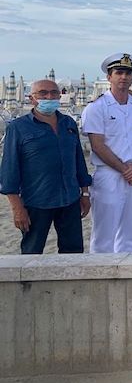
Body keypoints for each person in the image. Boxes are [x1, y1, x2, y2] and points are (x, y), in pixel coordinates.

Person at [0, 80, 92, 254]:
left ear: (59, 95)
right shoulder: (18, 128)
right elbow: (9, 170)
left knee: (73, 252)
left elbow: (78, 161)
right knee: (32, 251)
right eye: (43, 93)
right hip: (36, 201)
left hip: (70, 199)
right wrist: (17, 208)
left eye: (53, 93)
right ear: (32, 98)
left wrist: (85, 193)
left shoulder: (68, 124)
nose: (49, 97)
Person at [81, 53, 132, 253]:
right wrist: (125, 169)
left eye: (128, 73)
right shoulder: (96, 108)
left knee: (130, 230)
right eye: (119, 72)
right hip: (109, 173)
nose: (124, 77)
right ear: (109, 77)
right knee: (104, 232)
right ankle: (101, 274)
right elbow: (97, 145)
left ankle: (128, 271)